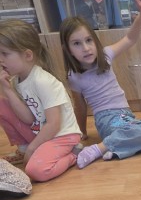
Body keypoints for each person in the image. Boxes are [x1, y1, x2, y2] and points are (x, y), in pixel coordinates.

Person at [59, 0, 141, 169]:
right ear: (68, 49)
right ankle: (98, 149)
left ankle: (118, 149)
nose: (86, 48)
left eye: (88, 40)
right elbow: (80, 106)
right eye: (77, 44)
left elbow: (130, 39)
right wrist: (81, 132)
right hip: (107, 120)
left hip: (126, 117)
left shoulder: (106, 55)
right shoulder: (74, 76)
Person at [0, 19, 82, 182]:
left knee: (35, 170)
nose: (0, 59)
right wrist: (8, 90)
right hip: (43, 132)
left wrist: (32, 148)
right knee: (2, 105)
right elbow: (28, 118)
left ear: (28, 55)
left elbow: (54, 124)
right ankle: (25, 149)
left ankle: (74, 154)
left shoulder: (43, 81)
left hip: (62, 136)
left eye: (5, 54)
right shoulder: (19, 80)